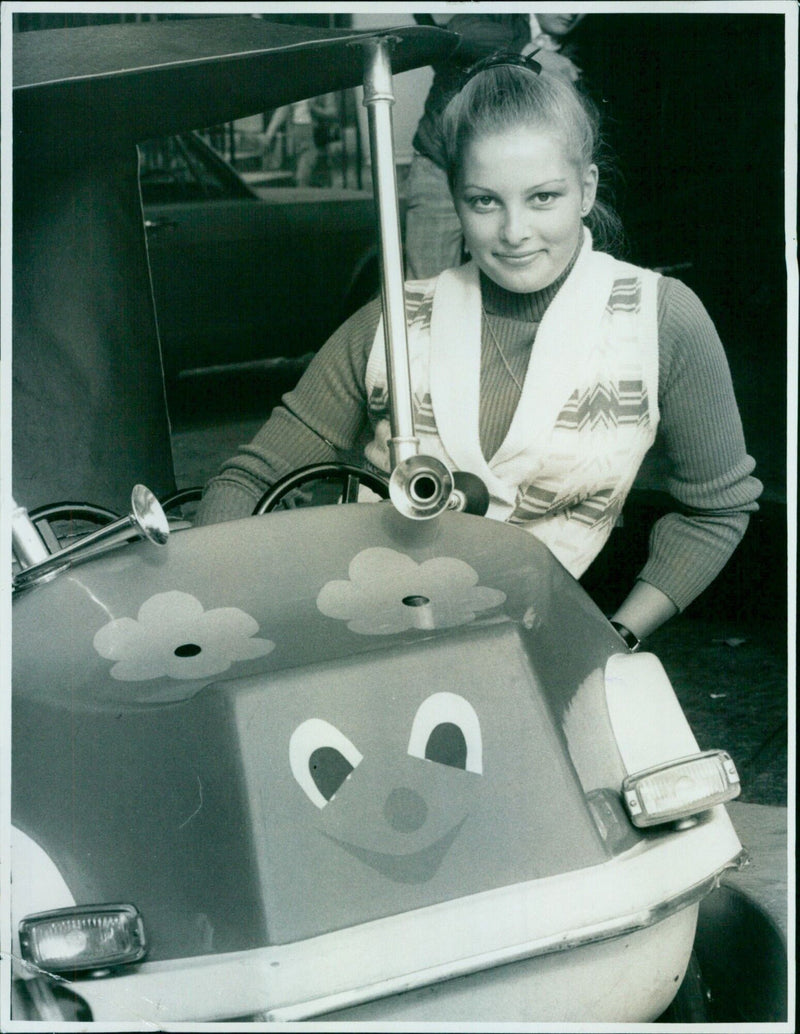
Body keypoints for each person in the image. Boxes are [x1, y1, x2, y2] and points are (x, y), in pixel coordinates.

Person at [195, 57, 762, 646]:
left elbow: (716, 510)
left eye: (543, 197)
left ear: (587, 190)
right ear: (456, 199)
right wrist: (214, 617)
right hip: (368, 646)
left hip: (544, 656)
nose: (514, 231)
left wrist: (617, 636)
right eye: (485, 201)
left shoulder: (660, 317)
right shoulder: (393, 323)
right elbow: (252, 477)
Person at [405, 13, 585, 279]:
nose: (570, 11)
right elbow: (461, 29)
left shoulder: (584, 42)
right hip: (440, 167)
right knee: (427, 286)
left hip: (519, 187)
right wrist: (530, 52)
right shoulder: (503, 14)